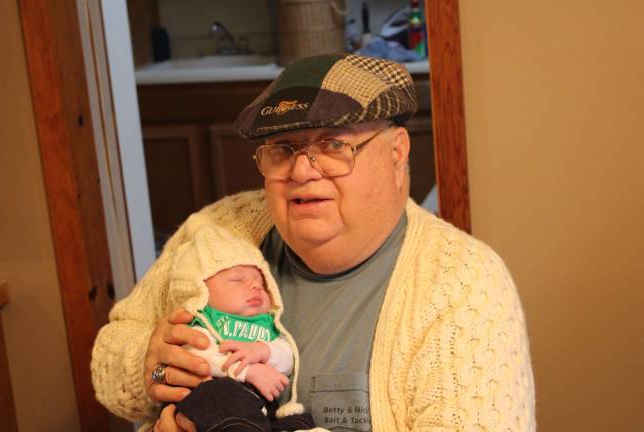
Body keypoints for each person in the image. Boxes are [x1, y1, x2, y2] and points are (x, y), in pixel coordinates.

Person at [92, 53, 536, 431]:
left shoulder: (464, 285)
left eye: (333, 145)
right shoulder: (219, 231)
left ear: (397, 152)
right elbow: (111, 360)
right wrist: (148, 363)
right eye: (283, 149)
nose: (303, 171)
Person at [165, 224, 316, 432]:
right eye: (237, 279)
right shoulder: (203, 323)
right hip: (216, 405)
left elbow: (288, 356)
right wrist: (248, 371)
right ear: (200, 292)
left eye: (261, 283)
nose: (255, 286)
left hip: (262, 411)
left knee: (300, 420)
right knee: (218, 395)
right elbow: (200, 358)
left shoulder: (266, 325)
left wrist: (264, 350)